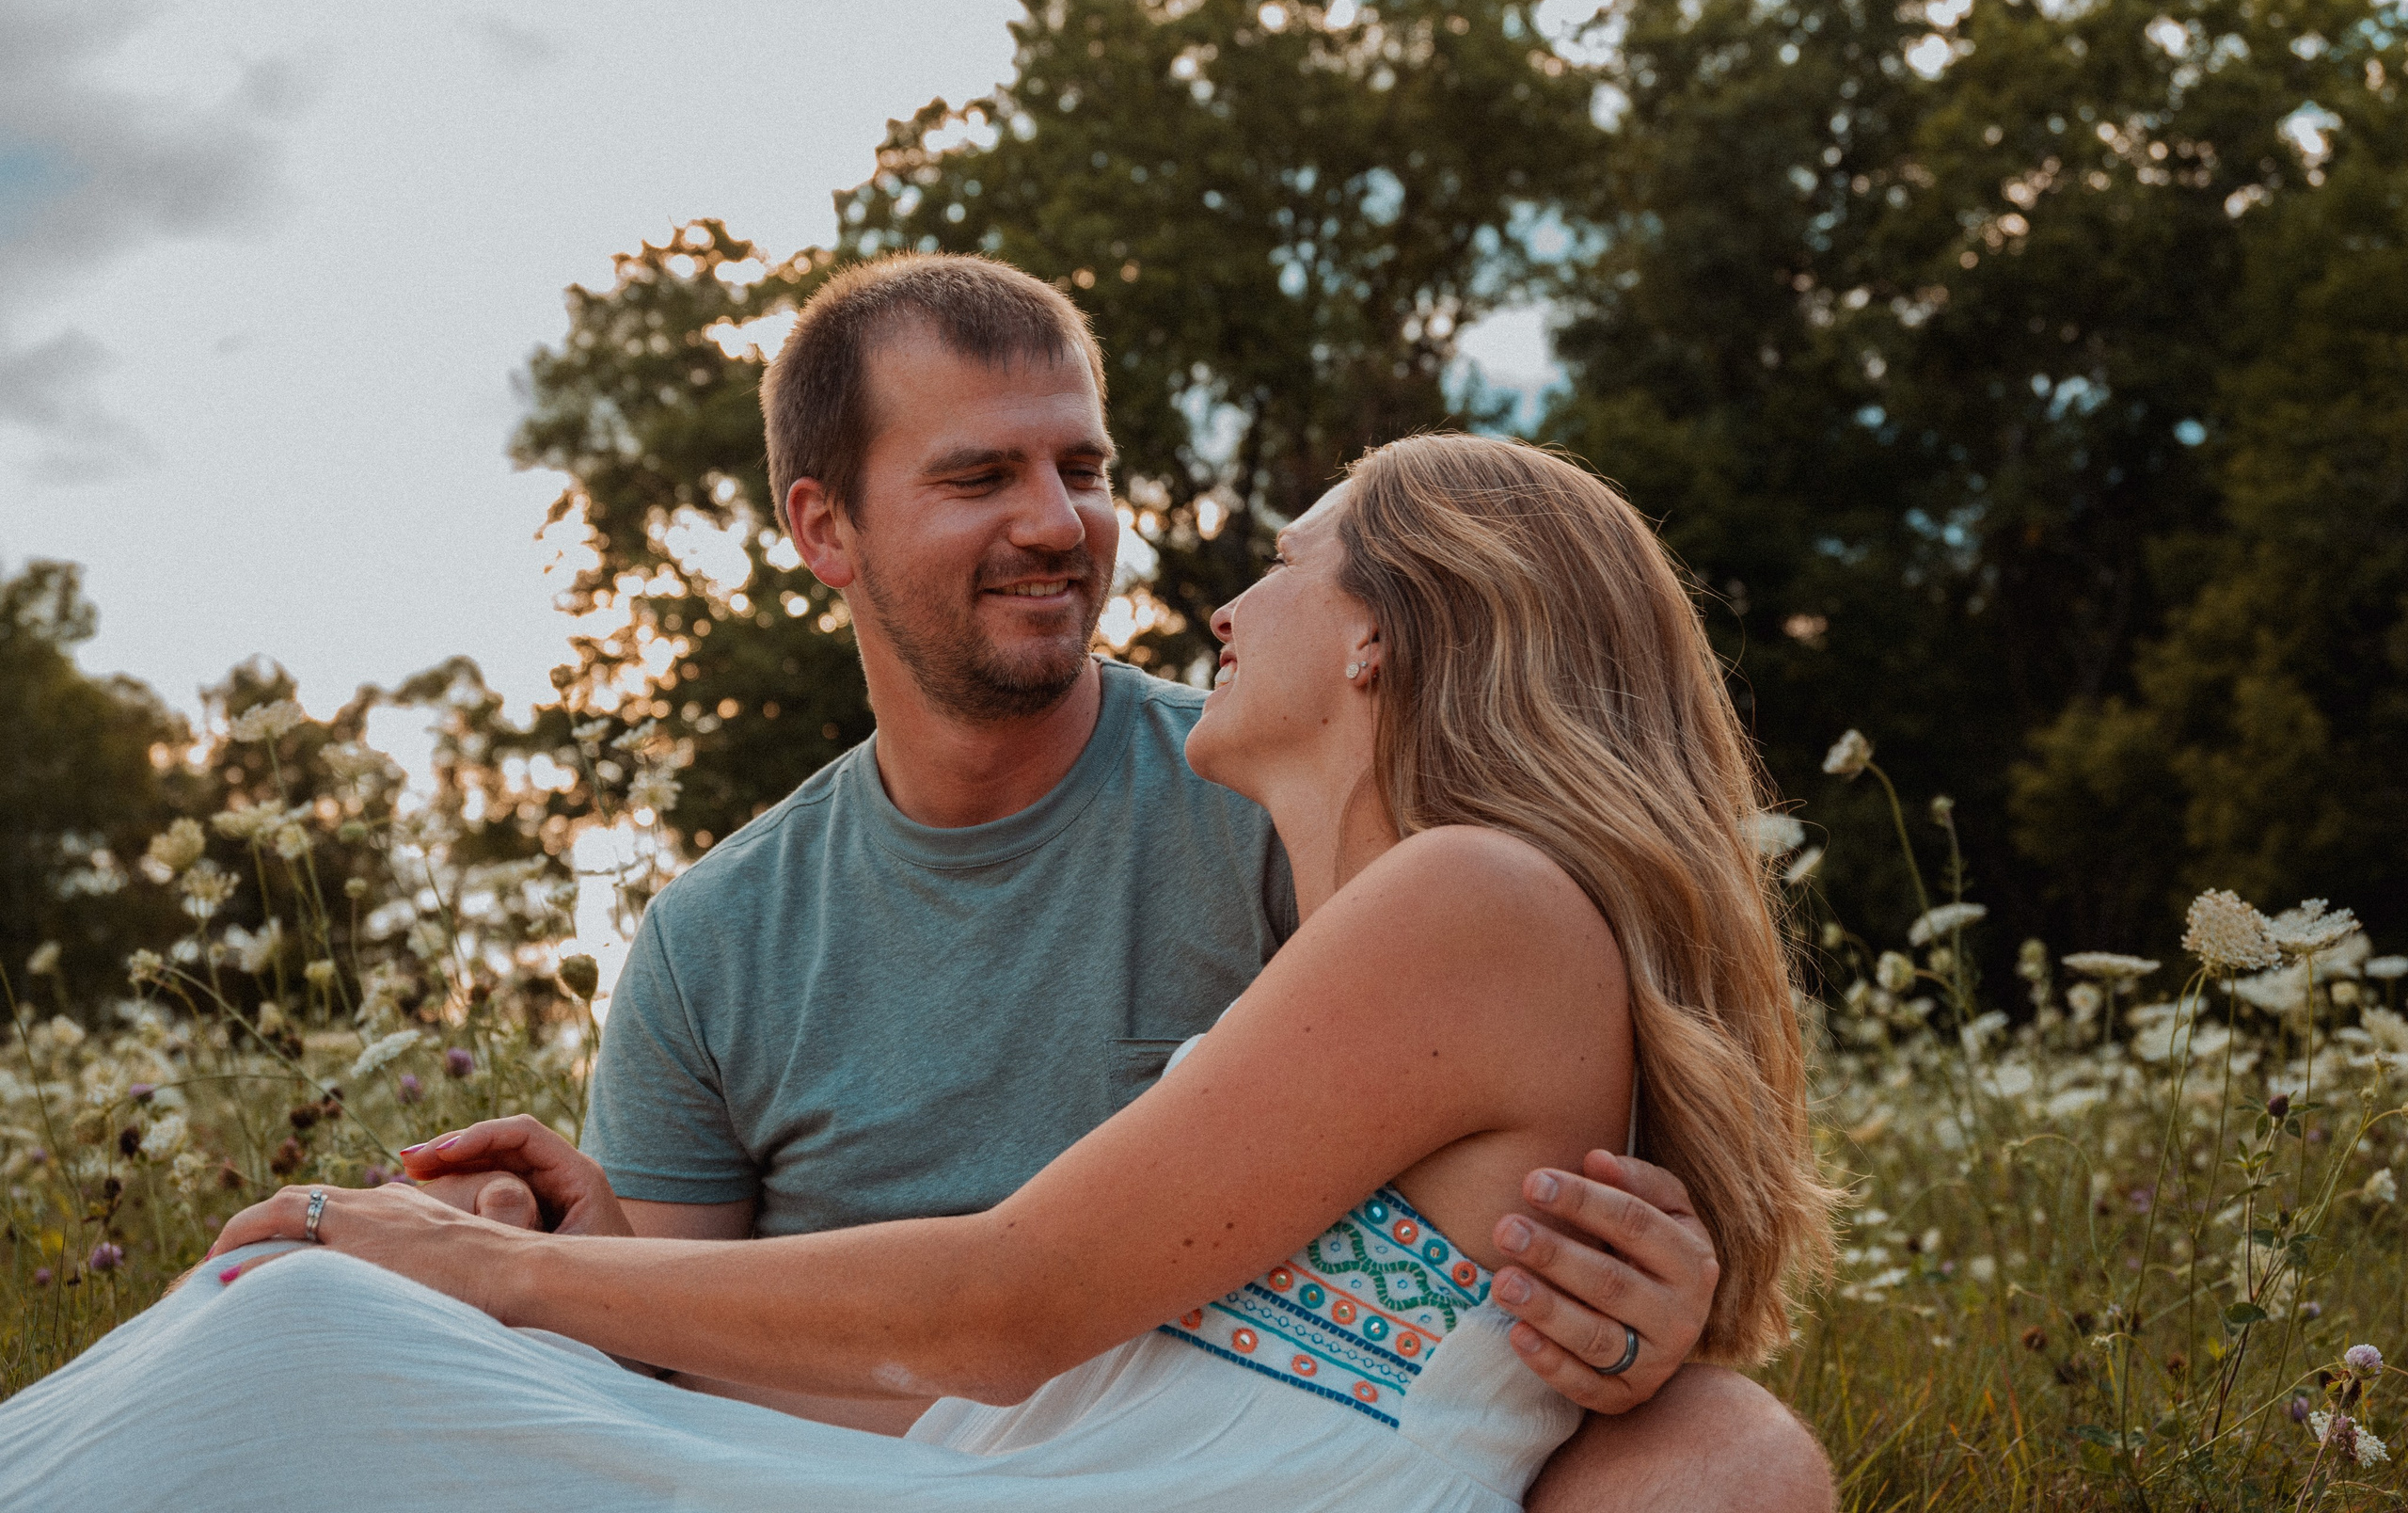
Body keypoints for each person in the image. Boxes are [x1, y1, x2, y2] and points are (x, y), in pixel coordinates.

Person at [0, 426, 1833, 1512]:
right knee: (337, 1316)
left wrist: (485, 1269)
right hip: (1058, 1475)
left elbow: (1001, 1305)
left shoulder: (1475, 903)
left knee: (326, 1322)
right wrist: (558, 1286)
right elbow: (1016, 1386)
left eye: (1286, 566)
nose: (1222, 604)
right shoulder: (1443, 925)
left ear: (1383, 637)